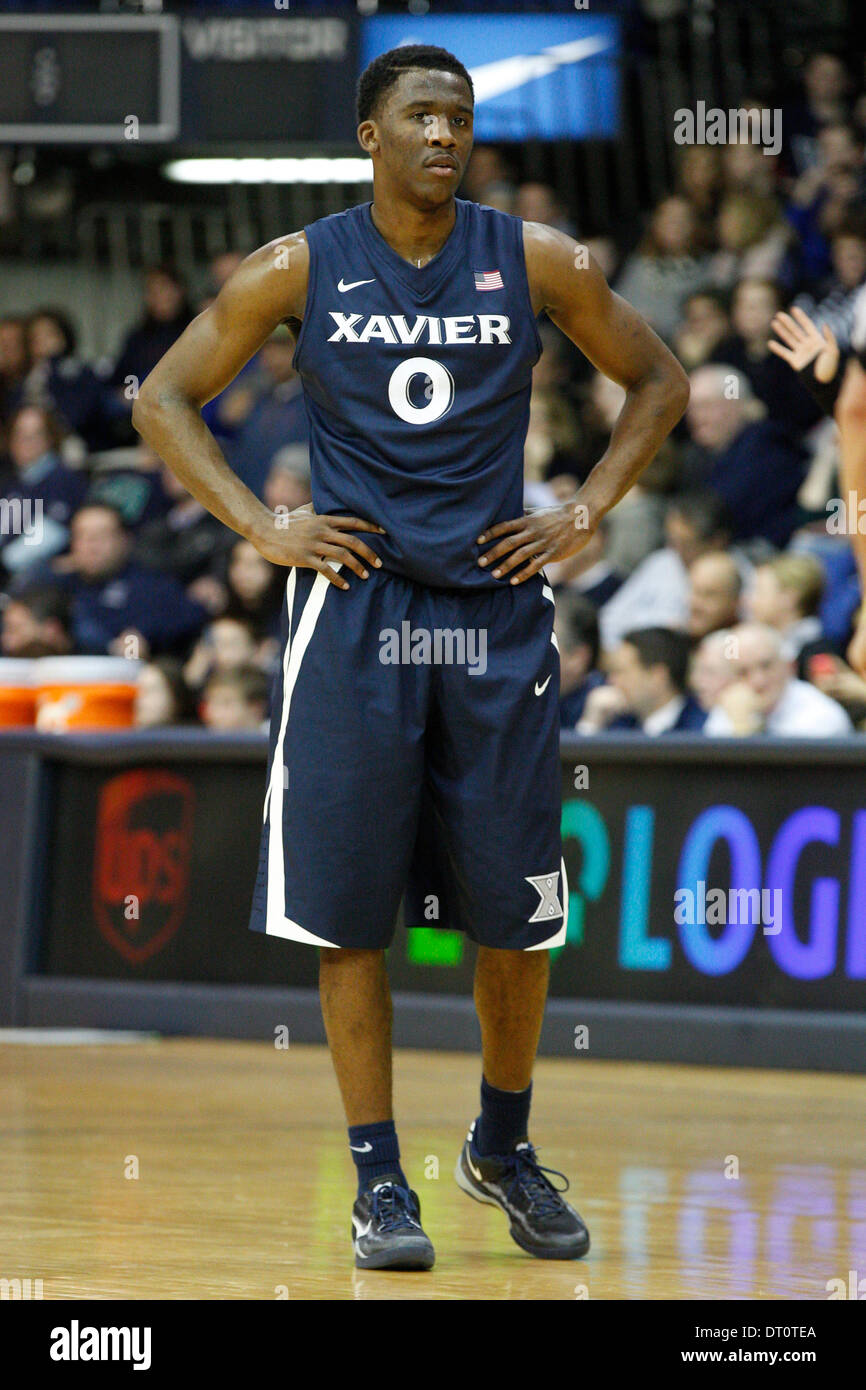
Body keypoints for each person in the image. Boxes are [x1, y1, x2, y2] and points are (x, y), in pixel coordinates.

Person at [132, 43, 689, 1273]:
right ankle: (380, 1181)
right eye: (421, 116)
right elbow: (161, 398)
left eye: (460, 118)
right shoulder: (297, 265)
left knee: (515, 913)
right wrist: (262, 523)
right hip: (355, 612)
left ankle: (501, 1144)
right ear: (370, 139)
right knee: (349, 916)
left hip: (493, 614)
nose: (445, 135)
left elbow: (656, 379)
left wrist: (583, 509)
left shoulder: (534, 258)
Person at [52, 502, 207, 657]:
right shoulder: (57, 585)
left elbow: (190, 615)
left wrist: (145, 635)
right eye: (82, 536)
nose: (91, 546)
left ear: (125, 540)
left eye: (101, 536)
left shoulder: (151, 585)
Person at [703, 623, 852, 736]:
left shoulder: (822, 715)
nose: (758, 681)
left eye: (766, 666)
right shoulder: (729, 709)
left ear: (789, 666)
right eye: (743, 672)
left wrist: (743, 729)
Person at [577, 627, 707, 734]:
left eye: (620, 672)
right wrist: (592, 721)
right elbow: (578, 765)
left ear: (657, 677)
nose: (611, 681)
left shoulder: (702, 727)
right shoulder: (619, 723)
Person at [686, 551, 742, 641]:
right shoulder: (674, 641)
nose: (696, 604)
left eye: (709, 595)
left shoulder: (736, 646)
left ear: (734, 602)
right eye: (696, 592)